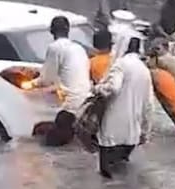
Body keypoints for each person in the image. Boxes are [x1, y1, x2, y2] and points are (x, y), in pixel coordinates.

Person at [93, 38, 154, 178]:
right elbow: (149, 103)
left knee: (105, 175)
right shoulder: (144, 70)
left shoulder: (121, 64)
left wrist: (98, 89)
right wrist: (146, 130)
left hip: (112, 128)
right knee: (123, 173)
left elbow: (113, 87)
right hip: (132, 132)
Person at [32, 16, 91, 147]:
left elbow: (46, 79)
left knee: (47, 144)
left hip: (70, 105)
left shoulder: (54, 47)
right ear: (68, 30)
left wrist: (32, 83)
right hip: (86, 101)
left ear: (51, 31)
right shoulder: (79, 48)